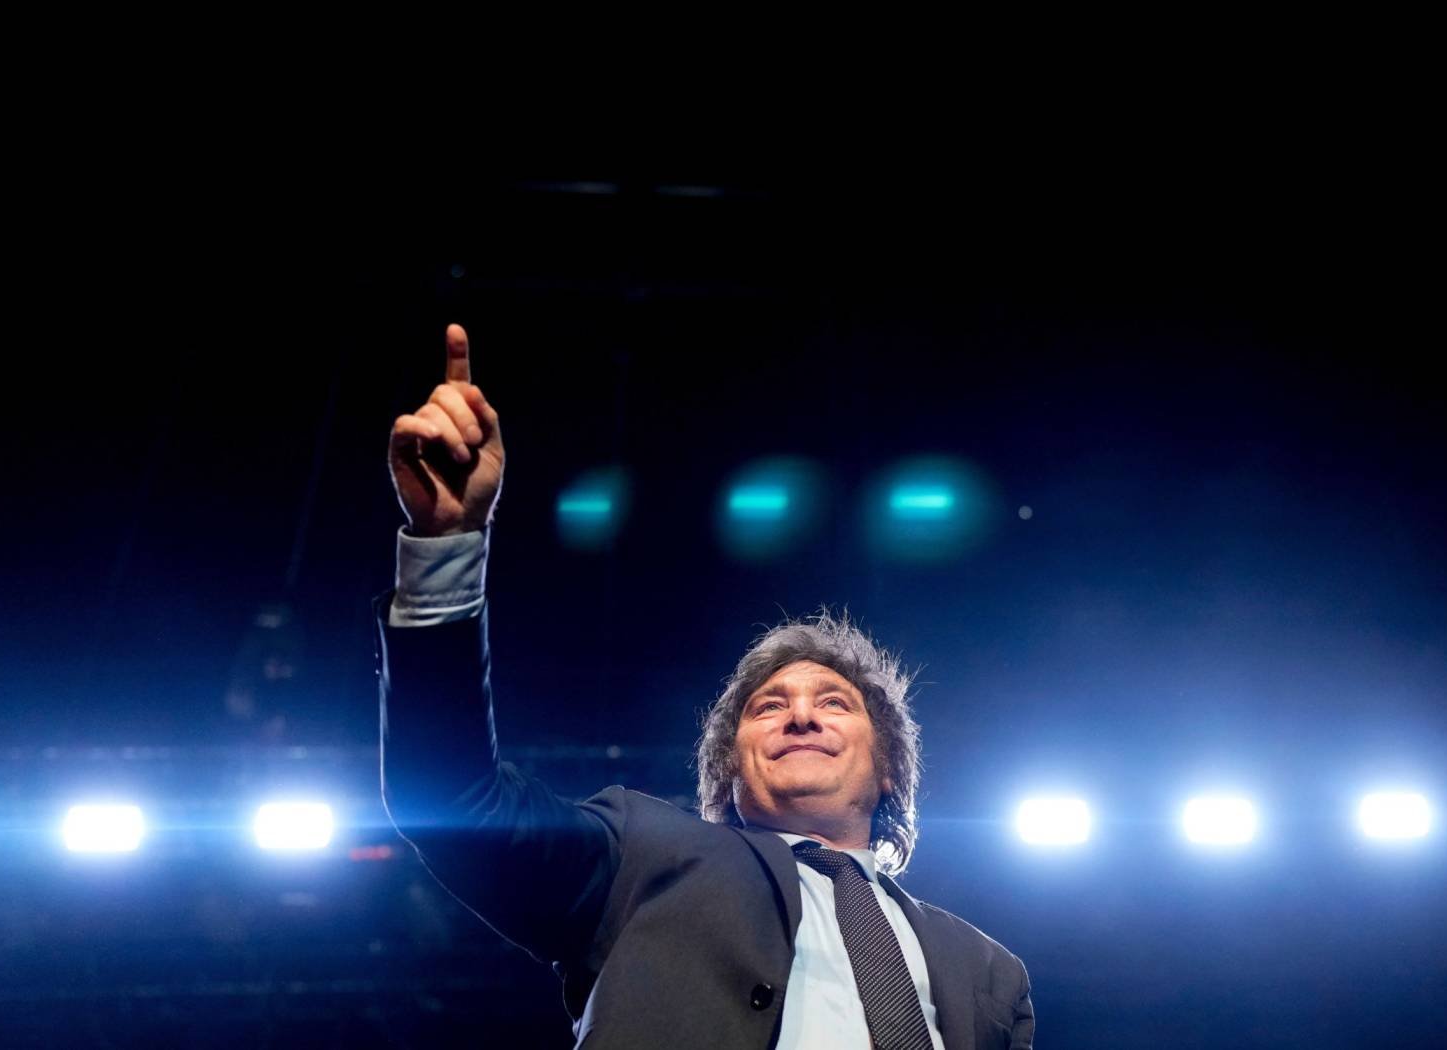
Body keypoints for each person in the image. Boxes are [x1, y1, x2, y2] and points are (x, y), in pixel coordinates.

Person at [378, 324, 1034, 1048]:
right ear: (727, 770)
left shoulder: (989, 974)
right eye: (769, 707)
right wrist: (446, 547)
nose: (801, 718)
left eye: (834, 703)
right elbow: (449, 798)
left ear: (888, 771)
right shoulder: (641, 854)